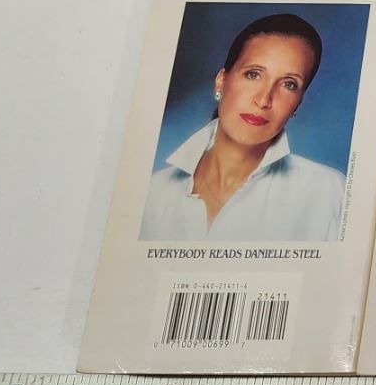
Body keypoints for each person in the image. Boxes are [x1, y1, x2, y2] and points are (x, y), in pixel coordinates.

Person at [141, 14, 344, 241]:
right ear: (221, 81)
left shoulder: (329, 193)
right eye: (253, 74)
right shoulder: (153, 193)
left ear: (298, 102)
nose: (264, 100)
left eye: (288, 84)